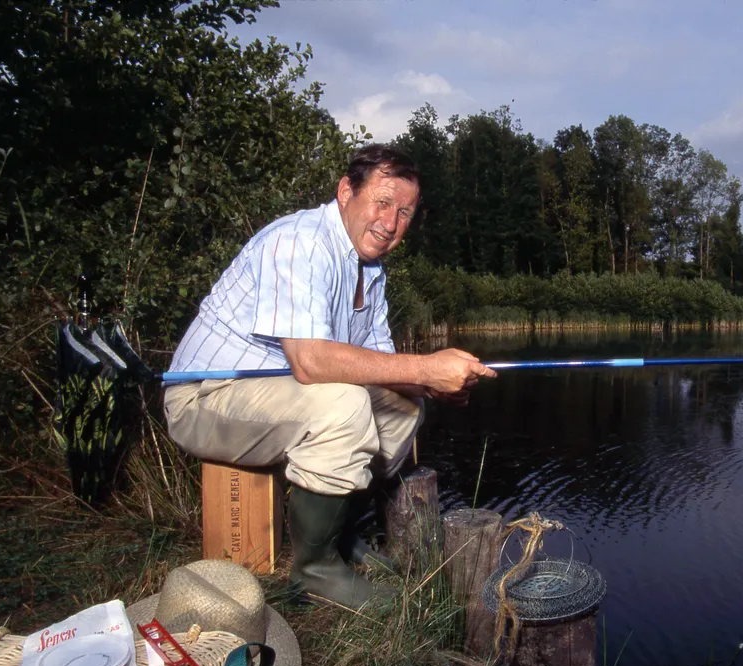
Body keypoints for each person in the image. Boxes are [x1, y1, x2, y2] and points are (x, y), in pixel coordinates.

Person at [163, 144, 495, 609]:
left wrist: (435, 384)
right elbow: (311, 362)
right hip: (204, 397)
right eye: (381, 203)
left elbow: (377, 361)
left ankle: (337, 537)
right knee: (343, 405)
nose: (391, 223)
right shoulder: (300, 241)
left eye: (405, 212)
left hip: (271, 395)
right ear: (345, 192)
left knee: (401, 408)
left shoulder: (370, 268)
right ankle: (314, 569)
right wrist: (425, 365)